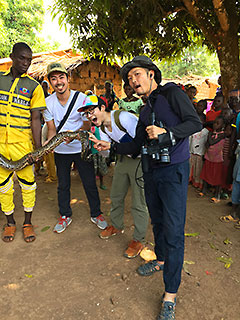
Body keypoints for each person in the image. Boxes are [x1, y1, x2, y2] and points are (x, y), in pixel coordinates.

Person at [90, 56, 202, 319]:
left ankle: (170, 295)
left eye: (137, 75)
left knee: (174, 231)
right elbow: (137, 144)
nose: (133, 81)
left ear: (151, 74)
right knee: (159, 222)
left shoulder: (171, 93)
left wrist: (167, 134)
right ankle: (161, 261)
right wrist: (112, 147)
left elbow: (195, 123)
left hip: (174, 170)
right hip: (151, 172)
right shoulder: (143, 109)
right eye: (129, 79)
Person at [78, 94, 149, 259]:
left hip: (139, 161)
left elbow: (140, 143)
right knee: (116, 195)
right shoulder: (101, 128)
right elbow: (108, 153)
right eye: (86, 113)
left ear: (102, 108)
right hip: (122, 160)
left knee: (138, 202)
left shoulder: (122, 117)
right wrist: (98, 145)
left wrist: (113, 147)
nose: (89, 116)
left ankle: (139, 239)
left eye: (91, 111)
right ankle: (116, 226)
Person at [43, 62, 107, 233]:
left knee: (89, 183)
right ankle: (65, 215)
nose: (59, 82)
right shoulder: (48, 103)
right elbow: (51, 129)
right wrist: (49, 144)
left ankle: (96, 213)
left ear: (67, 78)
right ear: (50, 82)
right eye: (54, 79)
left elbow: (87, 124)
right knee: (63, 185)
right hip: (61, 151)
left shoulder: (81, 99)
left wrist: (75, 134)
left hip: (81, 148)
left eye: (61, 77)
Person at [0, 42, 46, 242]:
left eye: (29, 59)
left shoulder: (34, 87)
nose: (26, 63)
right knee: (3, 186)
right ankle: (10, 223)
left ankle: (28, 222)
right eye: (22, 58)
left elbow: (36, 120)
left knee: (28, 186)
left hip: (23, 147)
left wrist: (38, 152)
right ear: (12, 57)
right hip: (1, 146)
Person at [199, 116, 226, 203]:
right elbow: (209, 143)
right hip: (209, 157)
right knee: (206, 175)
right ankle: (204, 190)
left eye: (218, 123)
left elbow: (211, 142)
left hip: (218, 159)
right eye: (214, 123)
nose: (215, 125)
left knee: (217, 178)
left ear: (223, 125)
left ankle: (217, 195)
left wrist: (212, 136)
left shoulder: (223, 135)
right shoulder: (211, 134)